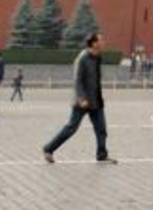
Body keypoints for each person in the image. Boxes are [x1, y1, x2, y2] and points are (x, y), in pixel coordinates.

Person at [43, 34, 114, 163]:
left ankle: (102, 154)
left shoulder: (98, 57)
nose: (104, 43)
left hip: (96, 100)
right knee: (71, 128)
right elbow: (77, 80)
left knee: (101, 129)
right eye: (101, 40)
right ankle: (49, 149)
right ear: (94, 43)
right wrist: (82, 98)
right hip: (82, 102)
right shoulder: (82, 58)